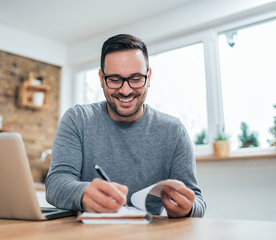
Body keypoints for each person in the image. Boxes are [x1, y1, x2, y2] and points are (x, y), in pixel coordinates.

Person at [45, 34, 206, 218]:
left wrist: (188, 207)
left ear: (149, 76)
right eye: (114, 79)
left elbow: (198, 202)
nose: (126, 90)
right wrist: (82, 193)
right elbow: (55, 184)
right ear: (101, 78)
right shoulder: (77, 119)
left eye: (136, 78)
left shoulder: (173, 131)